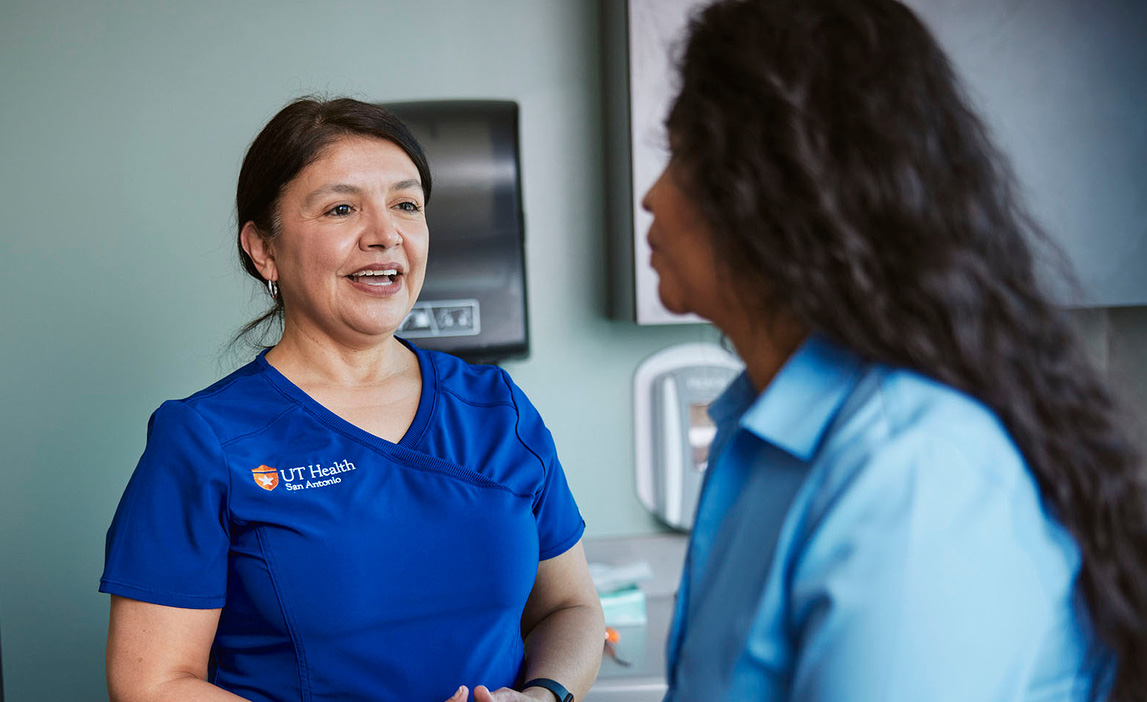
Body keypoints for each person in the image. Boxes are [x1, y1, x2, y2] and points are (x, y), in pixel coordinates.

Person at [641, 0, 1147, 700]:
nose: (651, 196)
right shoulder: (756, 434)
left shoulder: (914, 474)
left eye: (678, 154)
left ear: (773, 187)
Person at [101, 97, 604, 702]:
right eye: (341, 208)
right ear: (263, 249)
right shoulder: (206, 439)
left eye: (406, 205)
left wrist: (544, 696)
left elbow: (571, 607)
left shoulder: (497, 409)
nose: (385, 235)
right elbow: (151, 682)